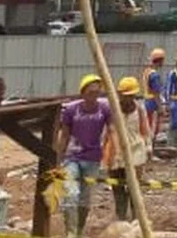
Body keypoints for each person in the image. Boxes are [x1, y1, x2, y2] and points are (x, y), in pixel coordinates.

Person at [56, 74, 113, 238]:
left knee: (85, 199)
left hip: (93, 158)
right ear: (83, 93)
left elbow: (112, 131)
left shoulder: (104, 109)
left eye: (97, 92)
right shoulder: (71, 110)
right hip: (72, 157)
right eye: (90, 92)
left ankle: (79, 230)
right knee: (71, 194)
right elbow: (64, 136)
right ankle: (71, 232)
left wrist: (111, 153)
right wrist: (58, 160)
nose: (94, 96)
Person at [102, 77, 152, 222]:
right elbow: (106, 131)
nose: (129, 99)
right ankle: (121, 217)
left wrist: (148, 146)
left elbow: (145, 129)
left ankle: (137, 218)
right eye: (126, 95)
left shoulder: (139, 109)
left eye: (131, 95)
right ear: (119, 94)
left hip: (135, 150)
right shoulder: (112, 110)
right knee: (117, 187)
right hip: (115, 152)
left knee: (134, 188)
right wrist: (103, 149)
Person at [141, 48, 166, 148]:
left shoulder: (147, 72)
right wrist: (160, 107)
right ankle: (150, 149)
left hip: (146, 102)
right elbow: (156, 93)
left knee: (148, 126)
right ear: (160, 60)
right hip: (153, 103)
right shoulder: (154, 75)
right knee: (153, 128)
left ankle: (147, 147)